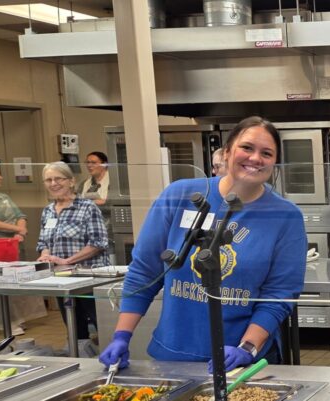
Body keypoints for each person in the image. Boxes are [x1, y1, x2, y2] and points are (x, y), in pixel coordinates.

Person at [98, 116, 307, 372]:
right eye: (247, 148)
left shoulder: (285, 216)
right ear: (228, 152)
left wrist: (247, 348)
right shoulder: (179, 195)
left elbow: (280, 294)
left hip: (241, 363)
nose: (255, 158)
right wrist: (122, 336)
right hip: (172, 356)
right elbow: (145, 271)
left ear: (274, 163)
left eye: (267, 153)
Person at [37, 161, 109, 343]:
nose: (53, 184)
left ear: (71, 181)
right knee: (75, 330)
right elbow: (43, 241)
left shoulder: (87, 208)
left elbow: (98, 243)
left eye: (58, 179)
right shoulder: (48, 211)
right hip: (62, 281)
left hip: (89, 279)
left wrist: (67, 261)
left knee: (104, 328)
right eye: (48, 180)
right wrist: (45, 254)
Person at [0, 165, 45, 336]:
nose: (0, 178)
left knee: (13, 281)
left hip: (12, 246)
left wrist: (21, 230)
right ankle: (4, 322)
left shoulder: (3, 197)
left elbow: (20, 215)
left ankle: (16, 319)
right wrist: (15, 229)